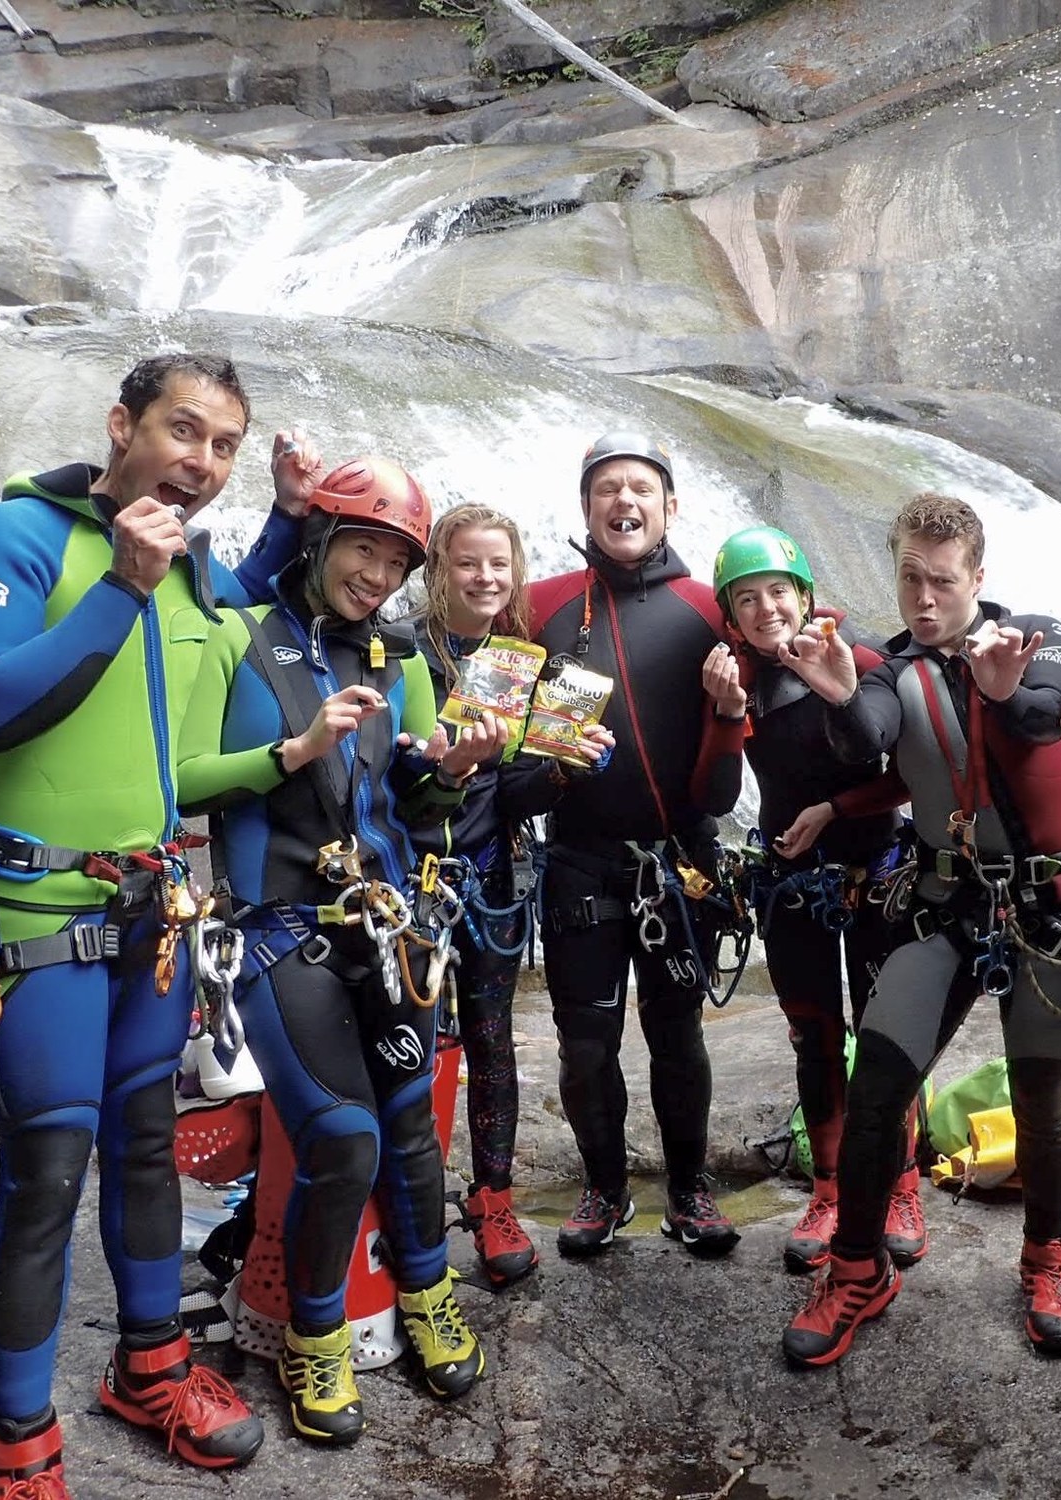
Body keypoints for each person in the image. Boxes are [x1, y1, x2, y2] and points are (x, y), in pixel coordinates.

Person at [0, 352, 314, 1498]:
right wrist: (121, 587)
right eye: (182, 430)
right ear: (121, 424)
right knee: (47, 1174)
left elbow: (194, 716)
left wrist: (289, 523)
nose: (201, 460)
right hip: (34, 915)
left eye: (223, 445)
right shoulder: (11, 536)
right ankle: (18, 1447)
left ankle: (150, 1370)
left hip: (148, 916)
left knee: (146, 1147)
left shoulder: (192, 571)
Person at [176, 456, 496, 1446]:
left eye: (397, 562)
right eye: (364, 549)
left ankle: (427, 1294)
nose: (379, 575)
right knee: (343, 1137)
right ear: (318, 541)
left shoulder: (398, 662)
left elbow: (418, 805)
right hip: (279, 933)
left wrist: (454, 771)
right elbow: (181, 778)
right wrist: (296, 749)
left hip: (386, 926)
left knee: (409, 1127)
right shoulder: (238, 635)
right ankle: (313, 1337)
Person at [772, 492, 1061, 1368]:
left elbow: (1042, 716)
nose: (924, 598)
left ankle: (1047, 1260)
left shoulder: (1038, 635)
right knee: (877, 1088)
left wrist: (1001, 689)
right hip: (944, 903)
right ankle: (857, 1270)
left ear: (978, 577)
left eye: (943, 581)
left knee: (1041, 1098)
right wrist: (842, 697)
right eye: (910, 578)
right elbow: (870, 737)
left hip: (1044, 909)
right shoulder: (889, 668)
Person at [523, 432, 742, 1257]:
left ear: (670, 506)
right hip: (579, 859)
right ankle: (604, 1189)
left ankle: (689, 1189)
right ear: (585, 508)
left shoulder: (710, 609)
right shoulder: (540, 606)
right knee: (586, 1046)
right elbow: (460, 651)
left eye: (641, 488)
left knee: (678, 1034)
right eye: (606, 488)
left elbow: (803, 640)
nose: (624, 501)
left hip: (681, 861)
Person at [692, 526, 917, 1274]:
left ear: (806, 596)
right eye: (747, 599)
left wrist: (836, 808)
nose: (767, 609)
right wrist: (726, 713)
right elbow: (715, 792)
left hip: (877, 870)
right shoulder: (735, 679)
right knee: (813, 1039)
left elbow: (912, 772)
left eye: (778, 592)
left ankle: (900, 1186)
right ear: (731, 615)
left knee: (886, 1035)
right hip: (790, 881)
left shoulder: (865, 658)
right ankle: (828, 1191)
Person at [411, 504, 609, 1288]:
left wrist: (564, 768)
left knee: (491, 1039)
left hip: (491, 877)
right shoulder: (400, 652)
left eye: (499, 564)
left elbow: (515, 791)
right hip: (409, 882)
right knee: (409, 1045)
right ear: (438, 569)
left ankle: (493, 1201)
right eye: (468, 563)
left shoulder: (516, 662)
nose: (485, 578)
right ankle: (410, 1202)